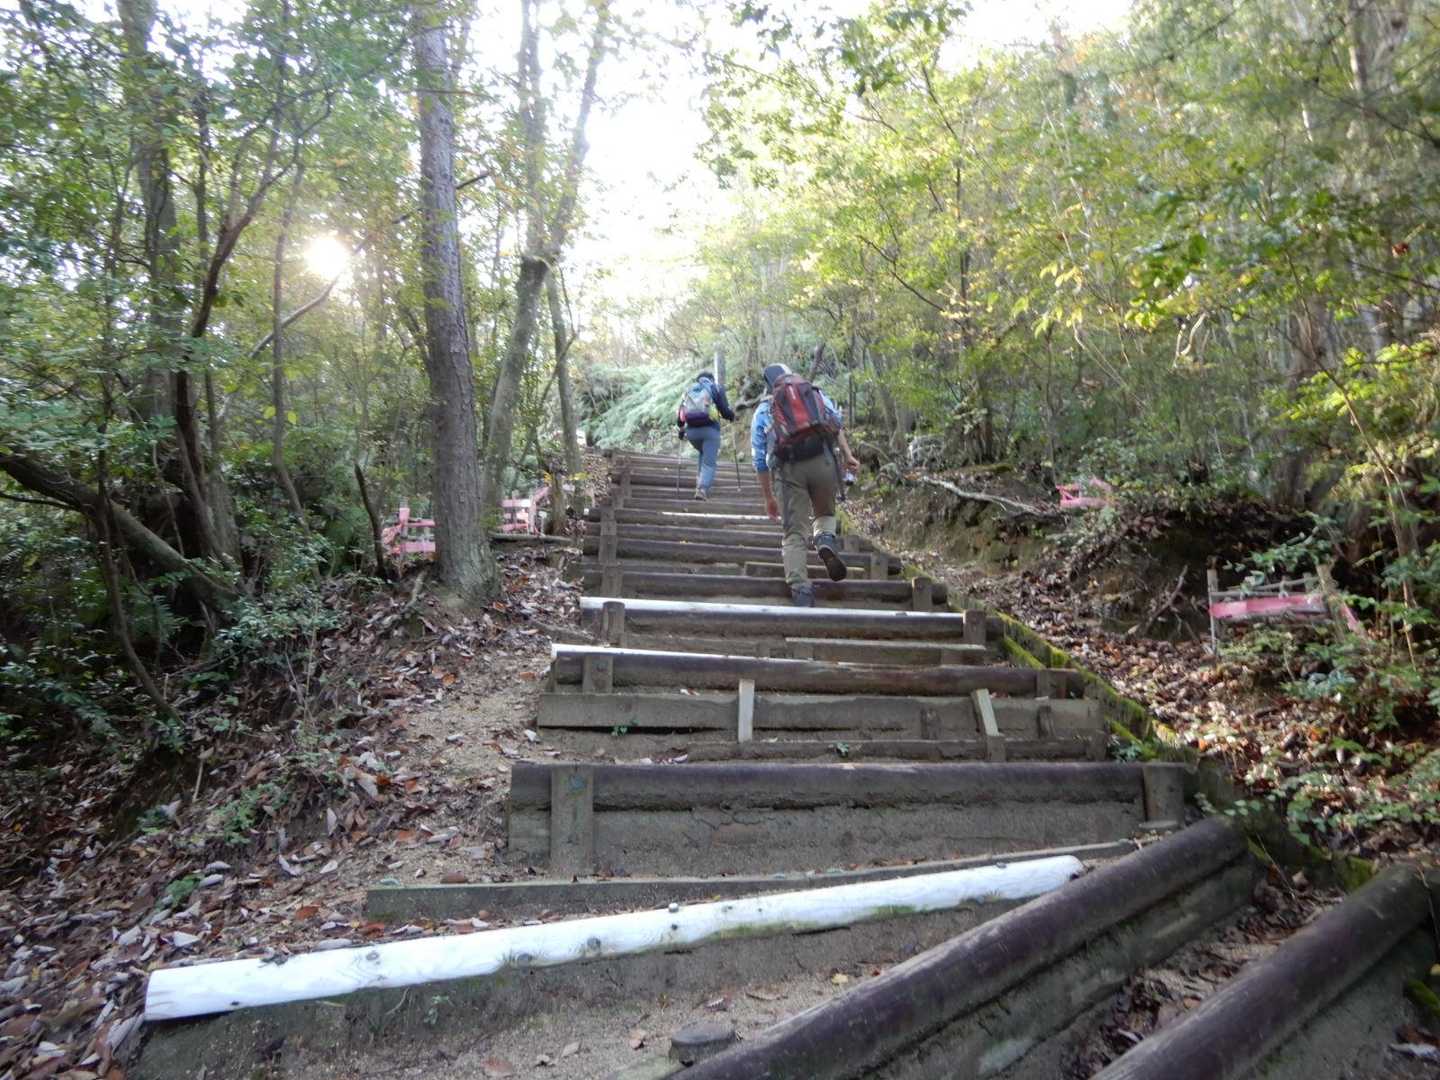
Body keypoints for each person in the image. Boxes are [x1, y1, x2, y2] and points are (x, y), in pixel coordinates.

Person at [750, 363, 863, 606]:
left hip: (789, 470)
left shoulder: (763, 411)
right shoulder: (813, 393)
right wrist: (848, 455)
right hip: (823, 461)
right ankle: (825, 539)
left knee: (795, 531)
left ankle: (800, 588)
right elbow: (835, 422)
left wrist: (768, 497)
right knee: (825, 513)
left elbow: (759, 459)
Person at [675, 371, 736, 501]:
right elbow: (725, 411)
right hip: (710, 431)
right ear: (711, 379)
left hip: (692, 433)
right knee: (709, 463)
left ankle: (699, 483)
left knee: (704, 453)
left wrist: (681, 429)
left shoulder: (689, 390)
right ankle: (702, 489)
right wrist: (732, 416)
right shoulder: (715, 388)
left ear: (698, 380)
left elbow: (680, 416)